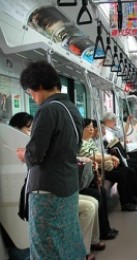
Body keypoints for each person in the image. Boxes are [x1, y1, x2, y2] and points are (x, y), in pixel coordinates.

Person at [15, 61, 86, 259]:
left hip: (47, 191)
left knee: (44, 245)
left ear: (37, 87)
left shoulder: (47, 111)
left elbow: (35, 155)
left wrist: (24, 154)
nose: (33, 97)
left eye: (30, 92)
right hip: (68, 185)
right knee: (67, 240)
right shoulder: (71, 108)